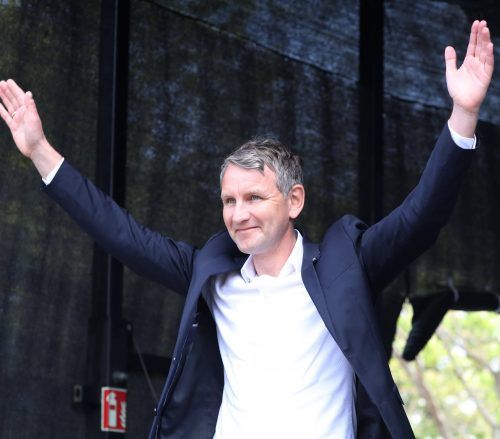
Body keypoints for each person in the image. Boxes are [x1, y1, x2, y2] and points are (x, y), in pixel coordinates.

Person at [0, 19, 494, 439]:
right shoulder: (211, 273)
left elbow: (420, 218)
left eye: (255, 198)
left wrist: (464, 113)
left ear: (294, 200)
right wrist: (40, 151)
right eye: (229, 201)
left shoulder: (346, 264)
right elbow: (121, 233)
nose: (239, 214)